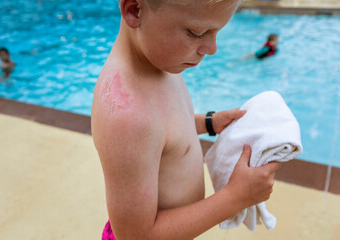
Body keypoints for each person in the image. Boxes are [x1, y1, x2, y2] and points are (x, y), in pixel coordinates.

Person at [91, 1, 282, 239]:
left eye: (217, 32)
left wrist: (209, 122)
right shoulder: (126, 114)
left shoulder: (159, 62)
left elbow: (162, 130)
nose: (212, 48)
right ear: (134, 11)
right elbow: (136, 236)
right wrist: (235, 197)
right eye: (197, 33)